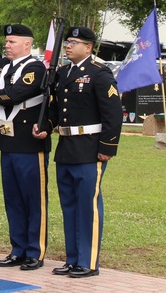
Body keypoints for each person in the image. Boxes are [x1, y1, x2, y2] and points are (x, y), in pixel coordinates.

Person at [35, 26, 122, 278]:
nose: (69, 46)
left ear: (89, 47)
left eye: (74, 42)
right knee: (69, 206)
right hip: (66, 147)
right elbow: (56, 109)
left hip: (89, 147)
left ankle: (88, 261)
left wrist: (107, 147)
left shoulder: (99, 73)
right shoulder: (62, 73)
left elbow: (113, 114)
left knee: (87, 205)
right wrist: (46, 125)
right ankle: (73, 259)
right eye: (68, 42)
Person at [0, 23, 50, 271]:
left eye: (13, 41)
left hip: (28, 140)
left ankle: (35, 251)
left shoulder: (34, 67)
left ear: (27, 44)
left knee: (32, 199)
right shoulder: (4, 67)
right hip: (8, 139)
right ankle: (18, 248)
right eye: (7, 41)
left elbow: (16, 94)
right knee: (13, 198)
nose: (7, 44)